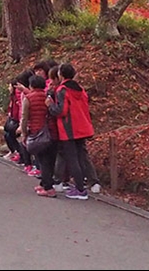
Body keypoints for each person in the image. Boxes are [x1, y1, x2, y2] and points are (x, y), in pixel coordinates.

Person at [49, 63, 94, 200]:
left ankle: (80, 189)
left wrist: (50, 105)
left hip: (69, 128)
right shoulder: (80, 89)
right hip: (82, 126)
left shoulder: (62, 90)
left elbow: (61, 111)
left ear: (60, 75)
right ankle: (82, 186)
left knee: (72, 159)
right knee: (80, 157)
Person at [21, 73, 58, 196]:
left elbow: (24, 118)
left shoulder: (28, 98)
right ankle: (44, 183)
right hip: (52, 131)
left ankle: (49, 189)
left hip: (37, 132)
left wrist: (24, 134)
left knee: (42, 161)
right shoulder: (49, 97)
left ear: (31, 85)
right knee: (50, 160)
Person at [4, 72, 29, 167]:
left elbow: (21, 109)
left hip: (20, 120)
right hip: (16, 119)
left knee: (19, 137)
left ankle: (22, 157)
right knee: (8, 134)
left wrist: (20, 122)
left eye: (10, 86)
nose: (8, 88)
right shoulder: (14, 96)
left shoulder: (20, 94)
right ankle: (17, 153)